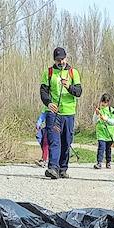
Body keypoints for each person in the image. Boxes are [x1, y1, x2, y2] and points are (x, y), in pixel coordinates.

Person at [40, 46, 82, 179]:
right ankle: (53, 168)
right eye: (58, 60)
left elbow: (79, 92)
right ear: (54, 60)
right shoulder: (49, 72)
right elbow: (43, 91)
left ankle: (63, 168)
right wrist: (48, 103)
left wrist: (69, 86)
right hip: (53, 113)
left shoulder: (73, 72)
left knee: (66, 141)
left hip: (69, 112)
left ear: (66, 58)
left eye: (62, 59)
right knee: (54, 141)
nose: (61, 62)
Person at [93, 94, 114, 169]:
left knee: (108, 149)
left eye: (105, 102)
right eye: (102, 102)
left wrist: (106, 119)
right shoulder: (98, 110)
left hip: (109, 133)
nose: (103, 104)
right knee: (101, 147)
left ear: (108, 102)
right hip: (101, 132)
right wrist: (97, 115)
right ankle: (99, 162)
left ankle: (108, 162)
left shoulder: (112, 110)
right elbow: (94, 121)